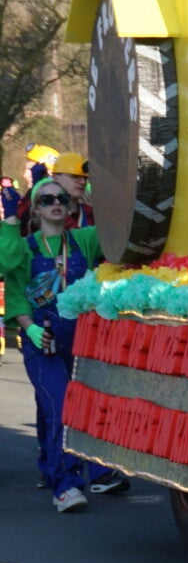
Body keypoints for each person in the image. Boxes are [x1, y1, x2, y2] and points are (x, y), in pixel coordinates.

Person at [3, 178, 104, 511]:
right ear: (36, 209)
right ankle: (66, 486)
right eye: (46, 200)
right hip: (41, 341)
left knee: (58, 407)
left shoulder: (83, 240)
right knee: (61, 404)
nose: (56, 203)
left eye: (61, 198)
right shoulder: (24, 248)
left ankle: (50, 466)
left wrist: (100, 201)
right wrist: (30, 329)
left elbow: (115, 238)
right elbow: (11, 279)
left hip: (80, 341)